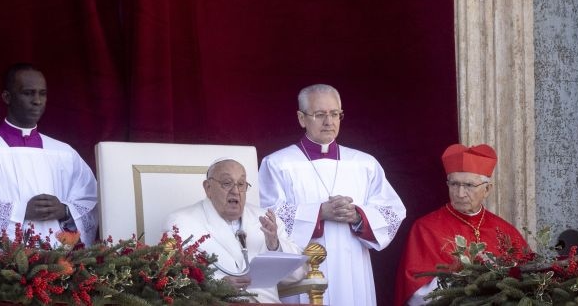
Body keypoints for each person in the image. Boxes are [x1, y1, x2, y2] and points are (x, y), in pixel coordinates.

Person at [258, 83, 406, 306]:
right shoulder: (278, 163)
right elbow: (266, 213)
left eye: (335, 114)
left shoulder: (364, 163)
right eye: (319, 114)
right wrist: (318, 213)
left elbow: (392, 212)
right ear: (301, 118)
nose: (329, 122)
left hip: (353, 267)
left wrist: (358, 216)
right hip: (303, 269)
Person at [0, 63, 98, 246]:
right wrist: (22, 210)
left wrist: (65, 210)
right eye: (28, 93)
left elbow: (91, 201)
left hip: (61, 264)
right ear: (7, 97)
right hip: (5, 265)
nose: (37, 100)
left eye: (42, 93)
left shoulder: (64, 153)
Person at [394, 143, 529, 305]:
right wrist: (463, 276)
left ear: (487, 189)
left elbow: (526, 280)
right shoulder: (425, 228)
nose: (460, 193)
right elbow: (415, 292)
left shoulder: (505, 230)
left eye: (469, 185)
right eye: (454, 184)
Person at [164, 157, 304, 303]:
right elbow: (172, 279)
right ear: (208, 188)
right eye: (227, 183)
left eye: (241, 184)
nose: (236, 191)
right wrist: (217, 285)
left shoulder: (266, 218)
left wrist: (275, 245)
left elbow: (297, 274)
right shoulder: (181, 222)